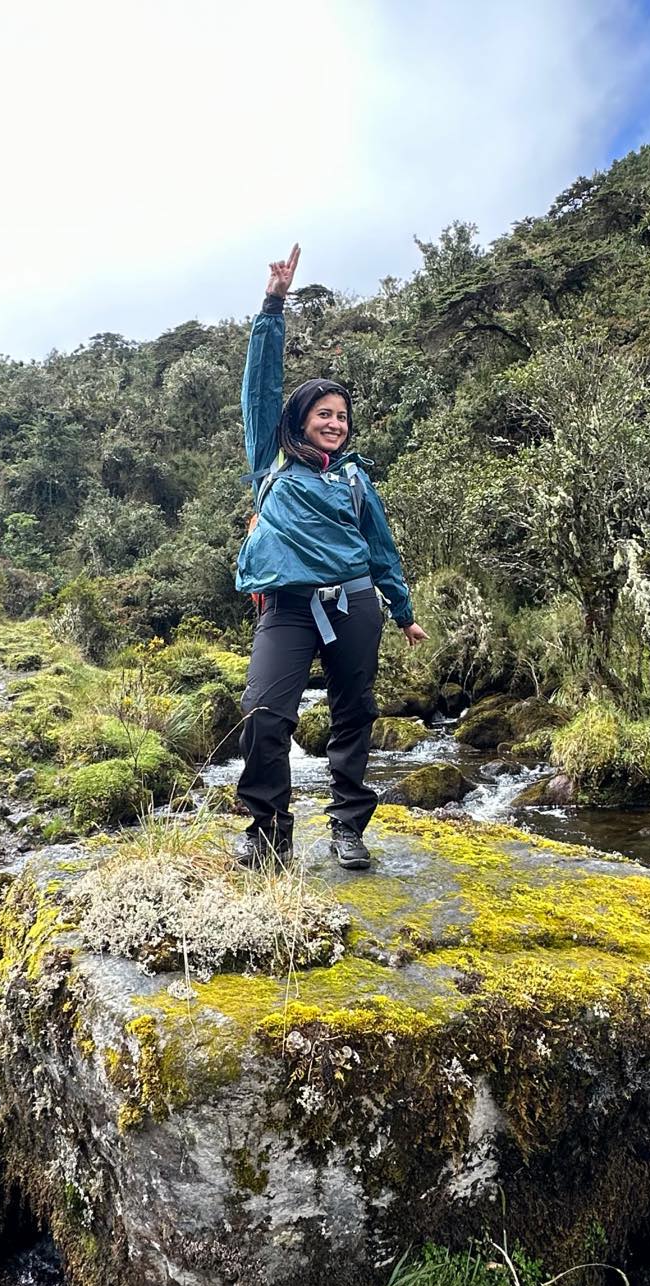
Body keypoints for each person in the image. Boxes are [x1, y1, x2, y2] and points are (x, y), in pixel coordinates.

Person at [234, 244, 428, 870]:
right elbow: (260, 387)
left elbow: (381, 547)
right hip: (287, 606)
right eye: (324, 414)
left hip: (354, 603)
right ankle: (269, 831)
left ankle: (348, 826)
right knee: (264, 714)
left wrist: (402, 611)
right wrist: (273, 306)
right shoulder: (272, 460)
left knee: (354, 714)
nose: (336, 423)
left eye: (343, 416)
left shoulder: (354, 478)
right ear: (300, 420)